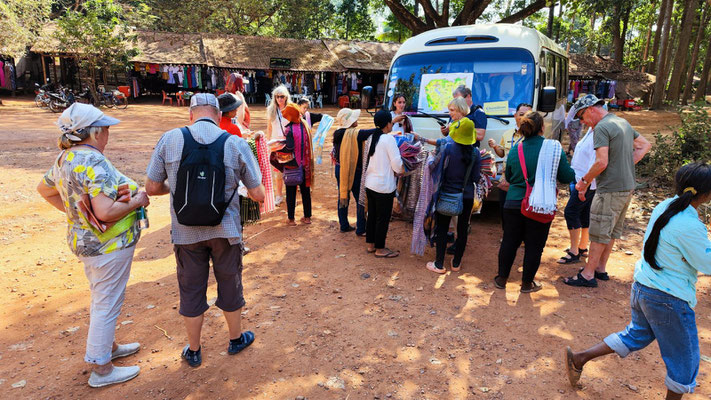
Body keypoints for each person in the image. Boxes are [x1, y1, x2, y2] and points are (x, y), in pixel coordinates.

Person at [565, 162, 711, 399]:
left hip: (644, 287)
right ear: (705, 195)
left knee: (636, 335)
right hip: (669, 298)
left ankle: (580, 357)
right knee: (685, 362)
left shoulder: (665, 207)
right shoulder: (689, 224)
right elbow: (707, 263)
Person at [145, 93, 265, 368]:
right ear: (219, 115)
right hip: (226, 231)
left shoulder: (170, 139)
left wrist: (175, 189)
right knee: (230, 283)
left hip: (185, 233)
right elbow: (258, 194)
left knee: (191, 289)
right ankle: (235, 339)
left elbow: (152, 187)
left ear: (190, 115)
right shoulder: (235, 143)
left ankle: (194, 349)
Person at [37, 103, 150, 387]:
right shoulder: (94, 161)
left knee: (102, 297)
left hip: (87, 243)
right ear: (96, 133)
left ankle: (108, 348)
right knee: (107, 302)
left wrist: (77, 215)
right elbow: (105, 212)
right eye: (106, 128)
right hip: (108, 245)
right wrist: (137, 200)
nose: (109, 133)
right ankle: (101, 368)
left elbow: (45, 189)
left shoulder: (66, 158)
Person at [563, 94, 652, 287]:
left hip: (610, 188)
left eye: (582, 116)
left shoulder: (601, 127)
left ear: (591, 110)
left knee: (599, 230)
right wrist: (624, 165)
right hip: (627, 186)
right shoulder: (621, 122)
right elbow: (644, 145)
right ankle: (600, 268)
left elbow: (601, 161)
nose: (583, 121)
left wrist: (584, 182)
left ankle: (587, 274)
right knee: (611, 230)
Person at [494, 111, 575, 292]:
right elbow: (566, 176)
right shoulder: (553, 148)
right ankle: (526, 284)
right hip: (539, 204)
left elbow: (510, 176)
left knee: (509, 242)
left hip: (514, 202)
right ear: (542, 128)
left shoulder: (516, 149)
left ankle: (501, 279)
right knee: (534, 246)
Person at [425, 107, 481, 274]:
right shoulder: (476, 153)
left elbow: (436, 168)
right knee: (462, 230)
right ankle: (456, 263)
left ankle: (439, 264)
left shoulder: (448, 148)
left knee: (442, 229)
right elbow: (476, 177)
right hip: (467, 195)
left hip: (447, 194)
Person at [361, 110, 404, 258]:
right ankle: (380, 248)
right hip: (384, 186)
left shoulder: (372, 137)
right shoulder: (388, 140)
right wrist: (403, 170)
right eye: (391, 122)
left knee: (372, 215)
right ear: (387, 124)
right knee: (382, 218)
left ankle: (370, 244)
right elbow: (397, 164)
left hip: (371, 183)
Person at [488, 103, 531, 229]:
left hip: (523, 182)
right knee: (504, 210)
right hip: (505, 181)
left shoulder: (532, 137)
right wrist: (495, 146)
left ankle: (522, 236)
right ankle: (507, 234)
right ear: (515, 116)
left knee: (522, 210)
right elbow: (502, 154)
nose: (524, 118)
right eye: (521, 114)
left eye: (528, 115)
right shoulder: (507, 134)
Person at [558, 124, 596, 264]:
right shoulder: (591, 130)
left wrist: (585, 182)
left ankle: (574, 252)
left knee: (571, 212)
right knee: (584, 213)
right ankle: (582, 247)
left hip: (585, 182)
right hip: (583, 180)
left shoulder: (598, 132)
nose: (581, 120)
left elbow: (596, 161)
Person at [332, 108, 367, 234]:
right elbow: (371, 132)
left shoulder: (338, 133)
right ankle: (362, 228)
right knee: (360, 198)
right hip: (354, 170)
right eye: (354, 118)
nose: (356, 119)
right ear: (350, 122)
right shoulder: (354, 134)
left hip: (339, 168)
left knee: (343, 195)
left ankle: (344, 225)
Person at [281, 103, 314, 226]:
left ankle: (291, 219)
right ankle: (307, 218)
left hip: (292, 165)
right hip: (305, 165)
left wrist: (279, 147)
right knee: (305, 192)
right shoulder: (304, 126)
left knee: (291, 192)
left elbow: (289, 147)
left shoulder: (289, 129)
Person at [266, 85, 292, 206]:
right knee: (278, 173)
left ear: (286, 97)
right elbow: (269, 127)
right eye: (277, 96)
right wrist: (267, 142)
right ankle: (279, 195)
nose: (280, 99)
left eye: (282, 96)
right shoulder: (271, 110)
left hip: (288, 145)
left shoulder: (291, 109)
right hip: (276, 145)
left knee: (290, 172)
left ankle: (290, 195)